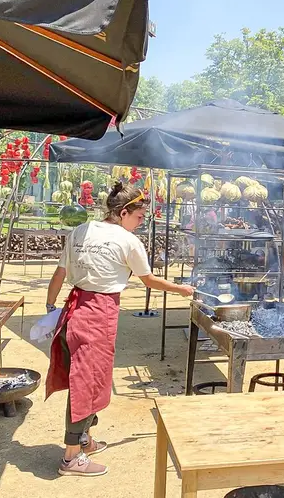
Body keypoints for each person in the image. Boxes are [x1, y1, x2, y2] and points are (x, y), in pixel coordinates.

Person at [45, 182, 195, 477]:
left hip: (73, 311)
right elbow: (149, 281)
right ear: (123, 211)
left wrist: (50, 308)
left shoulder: (80, 231)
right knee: (86, 382)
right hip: (96, 315)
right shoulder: (128, 241)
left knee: (92, 377)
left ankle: (85, 439)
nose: (141, 223)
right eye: (139, 216)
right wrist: (181, 289)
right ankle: (71, 457)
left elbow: (61, 272)